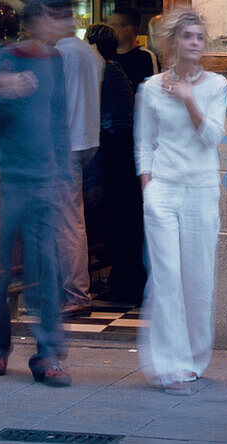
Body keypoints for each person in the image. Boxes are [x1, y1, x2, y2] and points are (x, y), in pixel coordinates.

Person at [0, 0, 72, 387]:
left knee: (46, 269)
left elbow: (58, 117)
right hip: (9, 179)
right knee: (2, 270)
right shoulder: (6, 58)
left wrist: (65, 171)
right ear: (36, 20)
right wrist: (6, 91)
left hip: (45, 180)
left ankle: (47, 355)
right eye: (57, 17)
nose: (64, 24)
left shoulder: (56, 62)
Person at [134, 7, 227, 394]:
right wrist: (148, 189)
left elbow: (212, 138)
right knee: (167, 277)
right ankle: (170, 363)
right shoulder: (150, 88)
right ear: (173, 42)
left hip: (202, 190)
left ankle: (194, 359)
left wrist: (189, 99)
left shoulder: (216, 85)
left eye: (200, 37)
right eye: (187, 36)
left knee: (198, 277)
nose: (194, 43)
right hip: (163, 191)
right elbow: (144, 144)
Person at [85, 24, 146, 305]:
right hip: (124, 145)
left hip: (113, 147)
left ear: (94, 47)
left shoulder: (103, 72)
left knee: (116, 217)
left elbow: (96, 116)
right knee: (124, 217)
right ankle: (124, 279)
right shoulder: (116, 68)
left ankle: (124, 282)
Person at [54, 0, 104, 316]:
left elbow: (53, 101)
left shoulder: (59, 53)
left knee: (68, 221)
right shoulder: (91, 53)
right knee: (72, 217)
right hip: (88, 140)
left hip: (65, 143)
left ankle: (75, 293)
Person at [108, 6, 155, 94]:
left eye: (112, 25)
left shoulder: (145, 57)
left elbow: (153, 91)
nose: (109, 29)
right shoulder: (107, 56)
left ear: (127, 29)